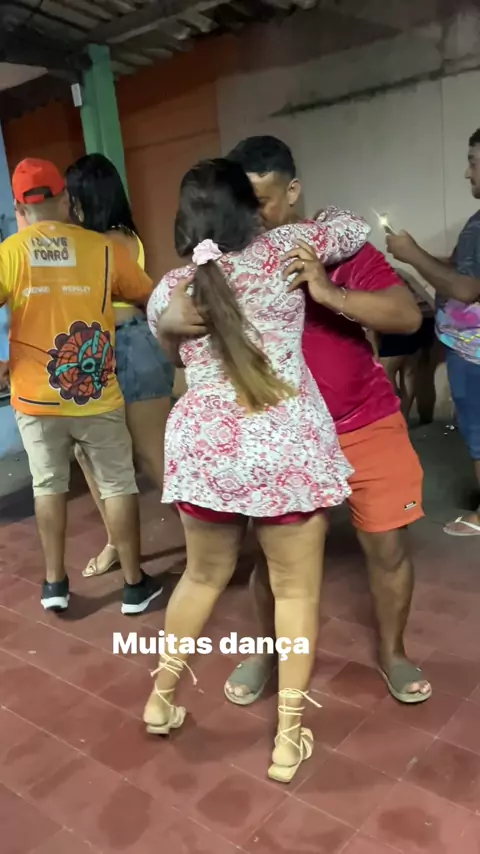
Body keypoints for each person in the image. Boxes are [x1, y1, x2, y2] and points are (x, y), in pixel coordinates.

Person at [161, 137, 431, 705]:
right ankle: (268, 652)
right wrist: (168, 324)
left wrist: (328, 291)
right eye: (243, 203)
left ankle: (393, 652)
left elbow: (406, 315)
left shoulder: (330, 249)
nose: (253, 216)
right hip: (283, 441)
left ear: (292, 191)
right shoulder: (215, 270)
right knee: (274, 562)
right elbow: (180, 347)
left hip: (361, 420)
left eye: (261, 201)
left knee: (386, 547)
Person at [143, 157, 370, 783]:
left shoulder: (172, 288)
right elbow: (353, 227)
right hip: (283, 447)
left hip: (207, 449)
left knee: (201, 577)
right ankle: (288, 741)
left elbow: (170, 348)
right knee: (295, 592)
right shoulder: (288, 249)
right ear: (252, 209)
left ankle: (161, 698)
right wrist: (299, 218)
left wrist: (168, 325)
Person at [2, 157, 162, 614]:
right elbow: (148, 294)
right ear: (65, 200)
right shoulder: (101, 248)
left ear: (20, 208)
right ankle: (134, 586)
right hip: (95, 393)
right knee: (117, 484)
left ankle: (55, 583)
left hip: (35, 397)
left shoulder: (10, 253)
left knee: (47, 485)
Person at [65, 155, 175, 577]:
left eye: (73, 198)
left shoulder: (111, 242)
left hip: (129, 347)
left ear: (86, 199)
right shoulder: (101, 240)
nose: (69, 206)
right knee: (88, 455)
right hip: (100, 351)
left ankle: (212, 541)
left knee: (153, 456)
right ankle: (117, 541)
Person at [387, 128, 480, 536]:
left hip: (474, 351)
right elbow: (464, 272)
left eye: (473, 162)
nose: (467, 173)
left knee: (478, 433)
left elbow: (466, 288)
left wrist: (412, 255)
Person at [378, 269, 437, 422]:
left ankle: (394, 417)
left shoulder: (389, 270)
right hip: (427, 316)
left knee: (385, 371)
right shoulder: (405, 271)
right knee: (410, 370)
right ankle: (403, 417)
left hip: (402, 317)